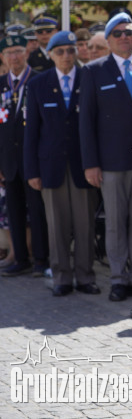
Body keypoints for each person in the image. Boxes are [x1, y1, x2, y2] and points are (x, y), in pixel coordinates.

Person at [78, 13, 132, 301]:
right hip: (112, 161)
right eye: (117, 33)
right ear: (108, 39)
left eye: (129, 32)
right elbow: (86, 122)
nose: (124, 36)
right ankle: (118, 279)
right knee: (115, 222)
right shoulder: (93, 71)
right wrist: (90, 163)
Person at [23, 31, 100, 296]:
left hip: (83, 164)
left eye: (71, 50)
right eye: (60, 51)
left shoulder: (89, 78)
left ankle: (85, 275)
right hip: (50, 165)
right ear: (51, 54)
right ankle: (61, 277)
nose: (66, 56)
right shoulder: (37, 84)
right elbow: (31, 132)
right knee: (56, 225)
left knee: (85, 224)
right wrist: (32, 170)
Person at [0, 35, 49, 277]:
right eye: (9, 52)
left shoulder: (39, 81)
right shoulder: (1, 85)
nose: (14, 57)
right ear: (2, 57)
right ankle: (20, 258)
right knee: (15, 211)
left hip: (33, 161)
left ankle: (41, 259)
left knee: (37, 211)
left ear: (27, 53)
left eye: (18, 51)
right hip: (8, 162)